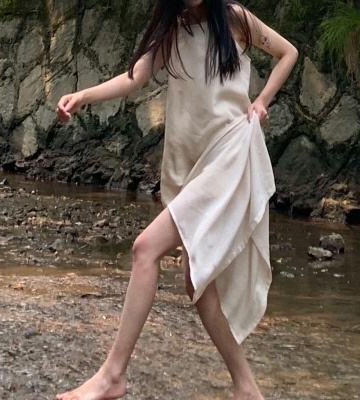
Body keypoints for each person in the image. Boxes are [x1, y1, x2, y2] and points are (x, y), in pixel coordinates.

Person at [56, 0, 298, 399]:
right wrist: (84, 95)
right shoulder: (173, 29)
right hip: (193, 167)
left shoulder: (234, 17)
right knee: (196, 279)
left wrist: (262, 101)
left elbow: (287, 52)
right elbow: (134, 77)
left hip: (228, 159)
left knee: (145, 249)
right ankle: (246, 387)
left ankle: (112, 376)